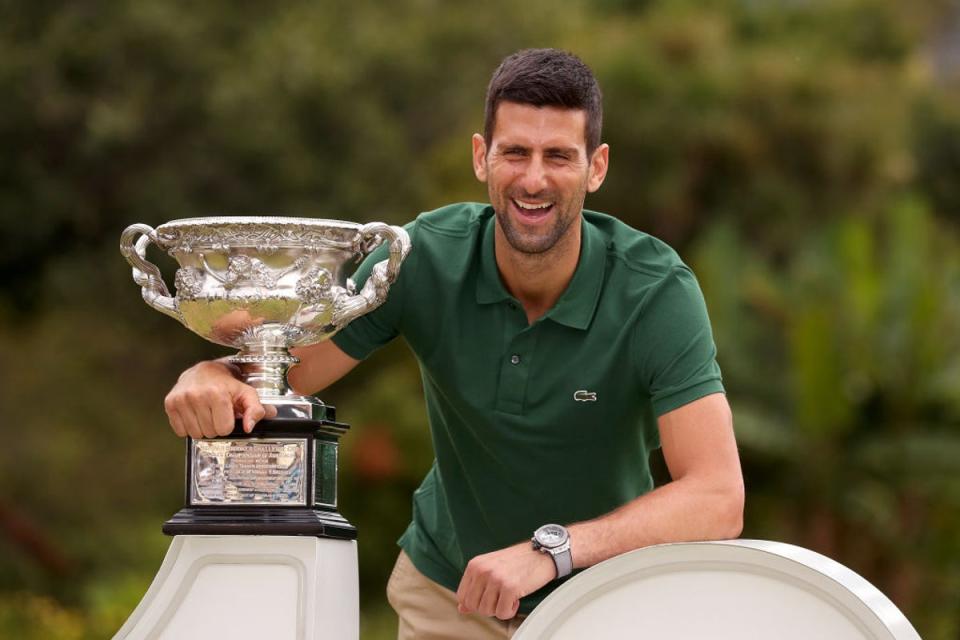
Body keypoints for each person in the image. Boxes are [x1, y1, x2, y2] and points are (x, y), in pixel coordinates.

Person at [164, 48, 744, 639]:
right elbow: (286, 369)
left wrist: (552, 551)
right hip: (450, 596)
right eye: (515, 151)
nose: (534, 179)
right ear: (481, 157)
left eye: (559, 157)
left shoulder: (655, 291)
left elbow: (719, 496)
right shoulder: (420, 258)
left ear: (596, 168)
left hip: (604, 600)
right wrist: (214, 373)